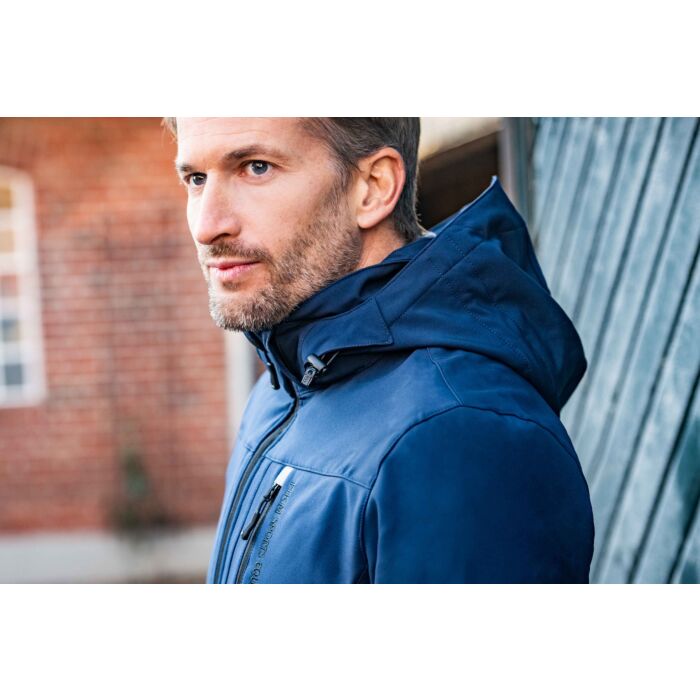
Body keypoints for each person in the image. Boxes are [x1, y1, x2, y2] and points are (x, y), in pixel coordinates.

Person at [169, 117, 594, 583]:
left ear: (373, 187)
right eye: (197, 178)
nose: (207, 226)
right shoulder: (284, 384)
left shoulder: (460, 434)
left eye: (256, 168)